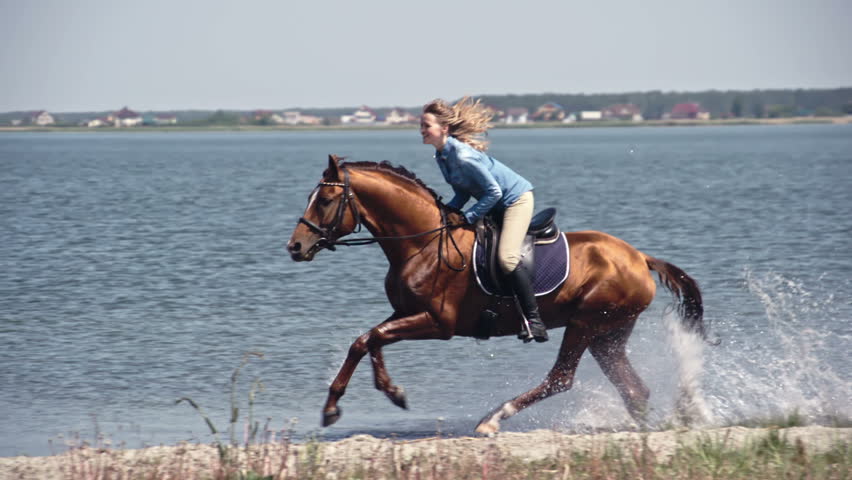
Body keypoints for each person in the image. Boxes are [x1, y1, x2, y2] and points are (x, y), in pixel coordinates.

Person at [420, 97, 547, 343]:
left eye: (427, 126)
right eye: (421, 126)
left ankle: (534, 321)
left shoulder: (464, 157)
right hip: (492, 203)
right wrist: (447, 213)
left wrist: (467, 216)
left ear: (444, 129)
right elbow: (464, 190)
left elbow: (494, 192)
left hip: (515, 201)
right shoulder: (442, 156)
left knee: (507, 257)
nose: (422, 131)